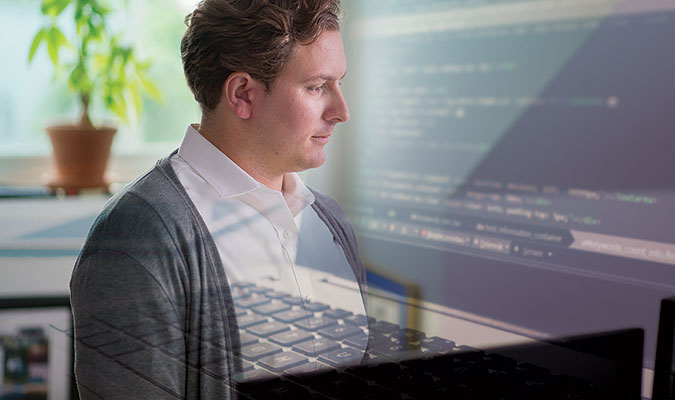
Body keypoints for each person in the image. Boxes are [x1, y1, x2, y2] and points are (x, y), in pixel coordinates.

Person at [69, 1, 367, 398]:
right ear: (242, 93)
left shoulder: (329, 221)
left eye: (338, 84)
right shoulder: (135, 240)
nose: (341, 111)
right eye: (316, 87)